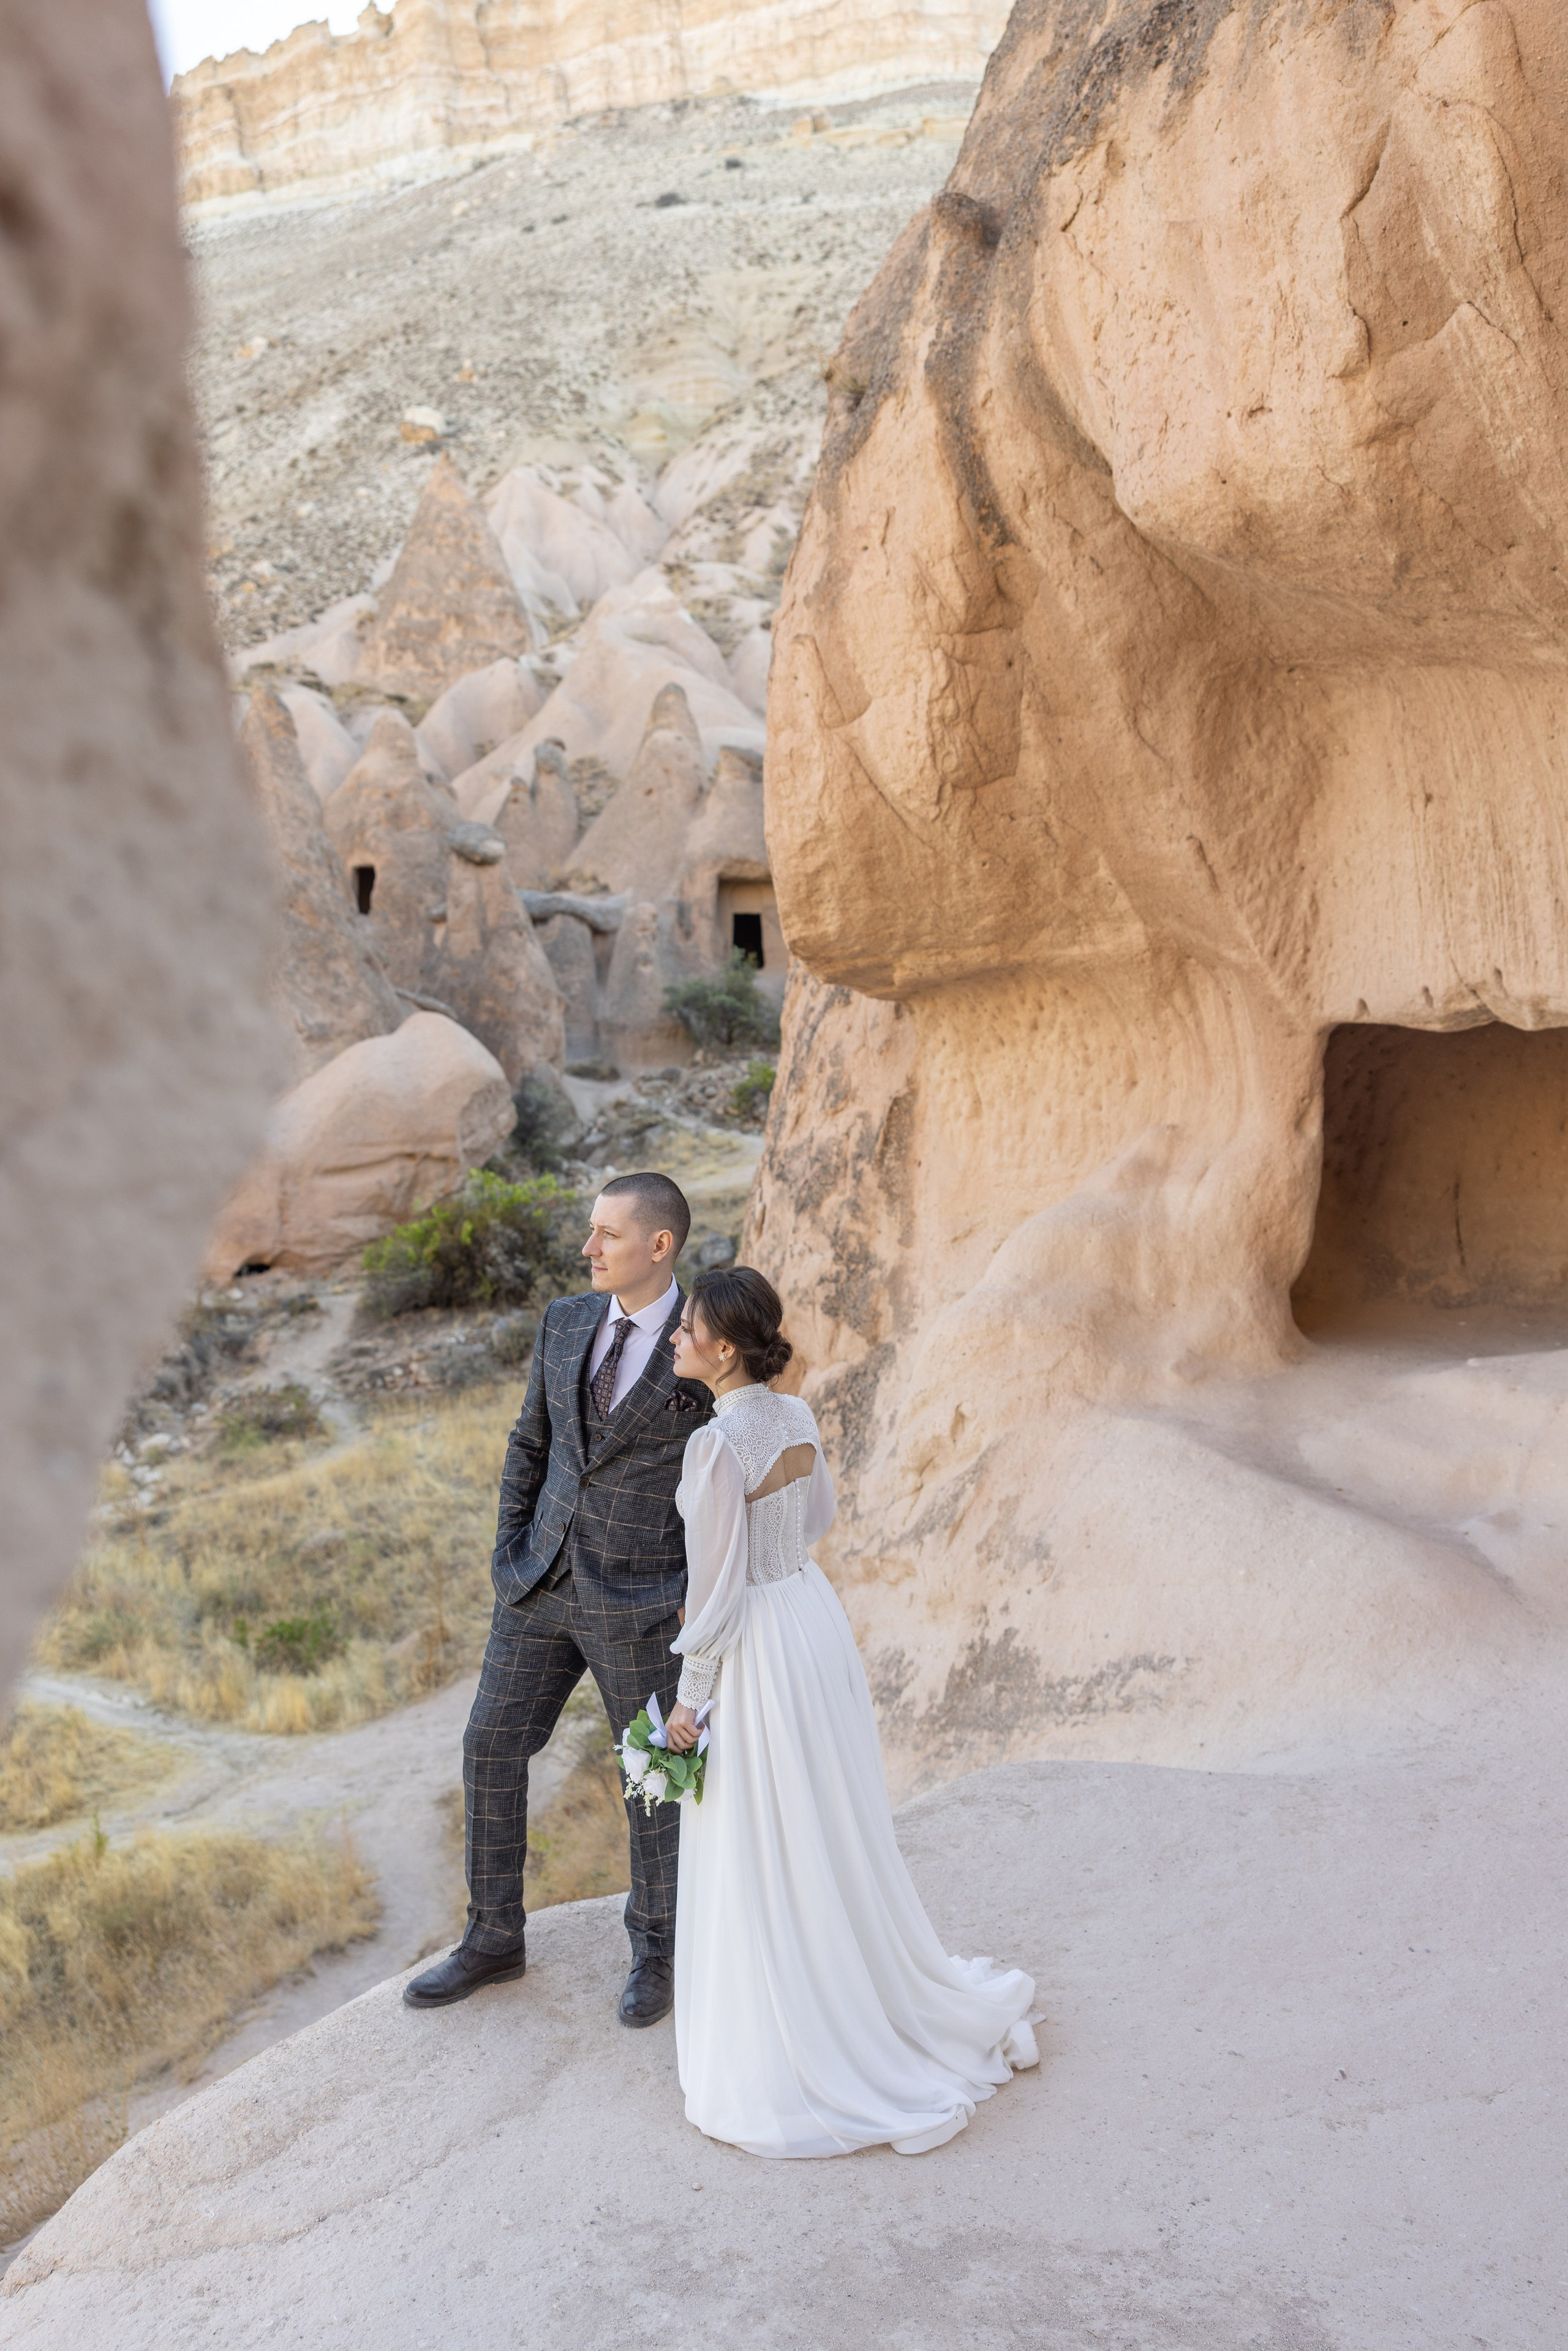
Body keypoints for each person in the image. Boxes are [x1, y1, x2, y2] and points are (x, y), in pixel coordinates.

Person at [665, 1266, 1039, 2156]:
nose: (676, 1336)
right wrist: (776, 1565)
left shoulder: (714, 1446)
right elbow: (817, 1517)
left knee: (766, 1824)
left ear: (723, 1348)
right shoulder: (796, 1416)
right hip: (810, 1618)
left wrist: (688, 1702)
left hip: (758, 1643)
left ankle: (801, 2028)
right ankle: (862, 1988)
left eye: (687, 1327)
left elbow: (714, 1595)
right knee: (823, 1813)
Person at [403, 1171, 712, 2025]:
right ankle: (494, 1935)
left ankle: (659, 1949)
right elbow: (529, 1442)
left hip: (644, 1601)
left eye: (608, 1234)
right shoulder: (566, 1320)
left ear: (660, 1245)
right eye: (591, 1230)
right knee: (490, 1744)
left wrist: (691, 1593)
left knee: (655, 1775)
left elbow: (727, 1486)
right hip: (537, 1583)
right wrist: (511, 1548)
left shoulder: (705, 1344)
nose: (589, 1248)